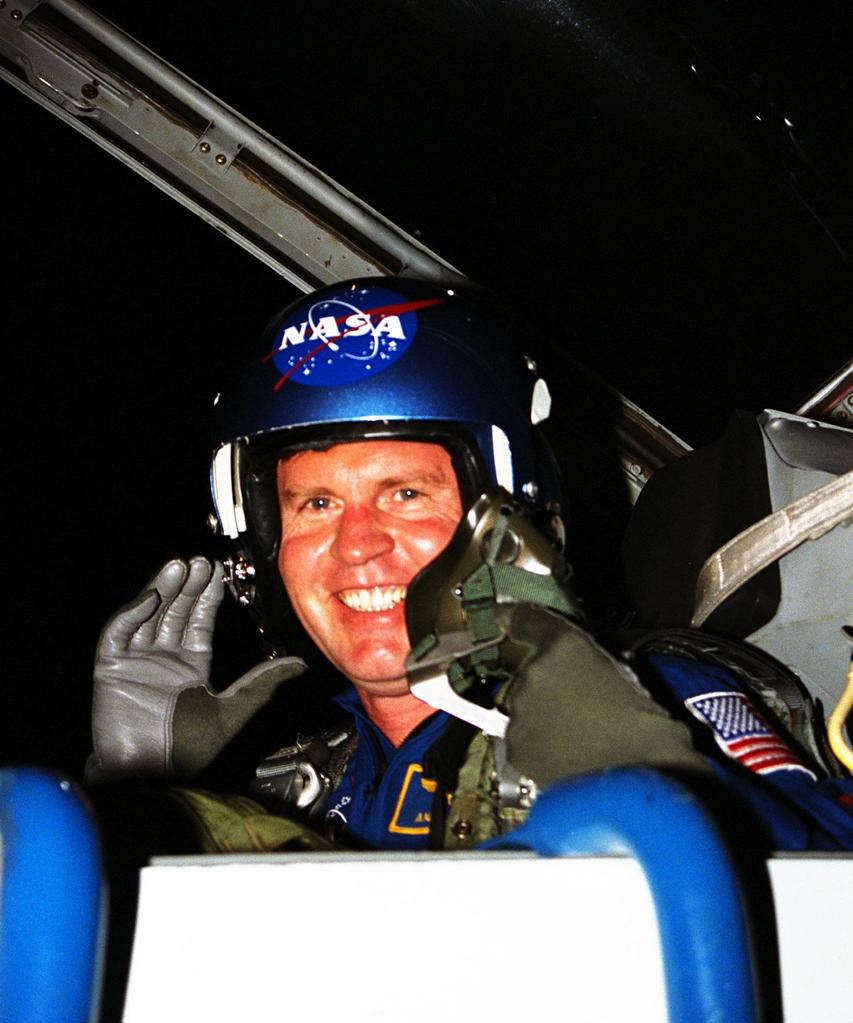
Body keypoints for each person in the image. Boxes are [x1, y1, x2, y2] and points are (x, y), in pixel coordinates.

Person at [87, 277, 853, 854]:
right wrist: (141, 798)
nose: (357, 545)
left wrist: (646, 783)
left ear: (506, 516)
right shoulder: (310, 783)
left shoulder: (660, 696)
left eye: (406, 494)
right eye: (314, 505)